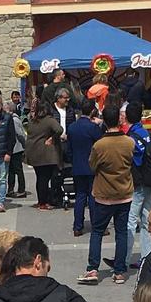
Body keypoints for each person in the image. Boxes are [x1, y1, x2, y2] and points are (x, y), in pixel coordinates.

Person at [81, 112, 136, 284]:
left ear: (104, 121)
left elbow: (92, 165)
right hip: (124, 193)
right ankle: (119, 271)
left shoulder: (100, 145)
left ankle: (93, 269)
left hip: (104, 194)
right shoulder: (129, 142)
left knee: (97, 232)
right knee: (121, 232)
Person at [66, 100, 103, 236]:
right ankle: (97, 225)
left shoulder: (72, 127)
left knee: (80, 196)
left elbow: (69, 149)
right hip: (92, 166)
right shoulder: (93, 128)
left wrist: (72, 160)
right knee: (93, 197)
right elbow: (100, 146)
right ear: (92, 111)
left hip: (77, 165)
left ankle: (78, 226)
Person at [25, 97, 66, 212]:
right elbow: (59, 129)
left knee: (39, 178)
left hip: (33, 152)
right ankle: (44, 202)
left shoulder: (33, 121)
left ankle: (40, 201)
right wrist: (52, 138)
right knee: (45, 178)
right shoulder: (49, 120)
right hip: (45, 154)